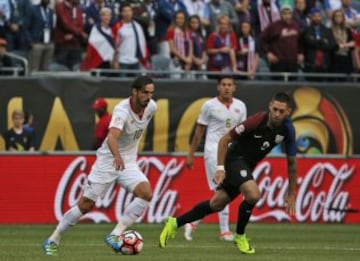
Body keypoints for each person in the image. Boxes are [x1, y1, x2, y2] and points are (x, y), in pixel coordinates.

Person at [160, 92, 297, 254]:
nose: (277, 114)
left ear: (288, 112)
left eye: (282, 111)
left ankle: (174, 223)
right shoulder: (256, 121)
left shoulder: (288, 130)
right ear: (270, 106)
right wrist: (220, 168)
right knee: (253, 195)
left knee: (216, 204)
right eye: (275, 109)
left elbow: (292, 163)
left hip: (247, 165)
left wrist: (292, 193)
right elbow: (225, 139)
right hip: (234, 159)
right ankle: (240, 236)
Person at [42, 75, 157, 256]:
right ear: (134, 92)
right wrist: (117, 156)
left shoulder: (152, 107)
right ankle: (53, 239)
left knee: (146, 194)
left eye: (151, 93)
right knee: (85, 205)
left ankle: (115, 234)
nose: (148, 97)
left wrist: (124, 158)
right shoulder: (121, 110)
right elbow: (112, 137)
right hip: (108, 161)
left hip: (128, 162)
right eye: (145, 92)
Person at [185, 75, 247, 241]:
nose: (227, 87)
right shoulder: (209, 106)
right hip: (213, 152)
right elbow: (199, 132)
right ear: (218, 87)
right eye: (223, 84)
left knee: (225, 192)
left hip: (232, 154)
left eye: (230, 84)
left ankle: (192, 221)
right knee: (222, 190)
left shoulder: (241, 106)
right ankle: (224, 231)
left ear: (234, 87)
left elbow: (243, 132)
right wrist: (191, 154)